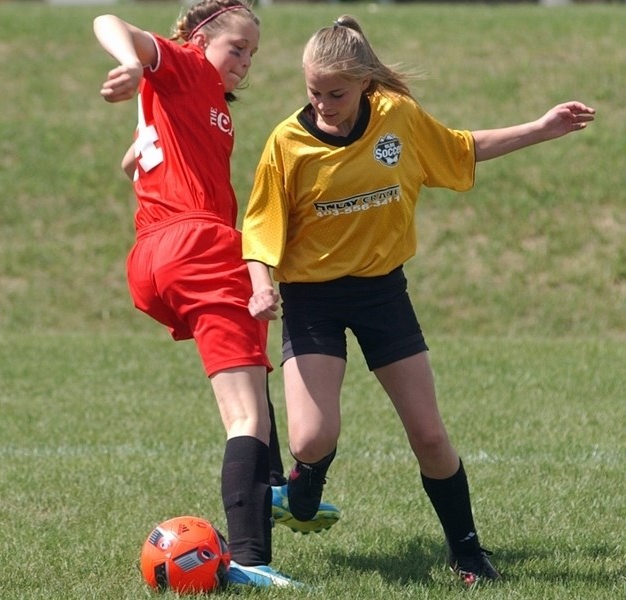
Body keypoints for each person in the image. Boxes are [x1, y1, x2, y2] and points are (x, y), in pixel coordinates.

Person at [242, 14, 595, 587]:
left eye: (336, 93)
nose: (324, 104)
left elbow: (458, 150)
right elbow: (259, 228)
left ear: (365, 84)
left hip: (382, 293)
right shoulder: (288, 142)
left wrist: (542, 127)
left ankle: (468, 553)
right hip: (311, 297)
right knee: (311, 438)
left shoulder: (396, 119)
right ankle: (304, 485)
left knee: (430, 435)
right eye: (314, 92)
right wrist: (261, 284)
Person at [92, 1, 340, 588]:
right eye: (237, 48)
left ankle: (274, 487)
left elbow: (140, 155)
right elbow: (110, 21)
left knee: (250, 373)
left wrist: (139, 147)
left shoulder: (195, 99)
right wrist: (130, 62)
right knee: (245, 414)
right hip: (199, 247)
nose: (244, 63)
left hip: (155, 253)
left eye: (252, 54)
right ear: (201, 38)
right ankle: (250, 560)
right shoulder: (185, 66)